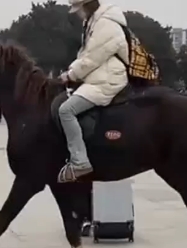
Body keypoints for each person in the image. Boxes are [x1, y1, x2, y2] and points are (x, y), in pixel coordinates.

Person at [57, 0, 128, 182]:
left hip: (107, 80)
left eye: (78, 9)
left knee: (66, 110)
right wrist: (71, 72)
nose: (77, 13)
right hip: (100, 75)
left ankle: (80, 162)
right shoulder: (95, 21)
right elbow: (85, 55)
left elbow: (92, 58)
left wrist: (71, 75)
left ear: (87, 5)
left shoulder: (105, 24)